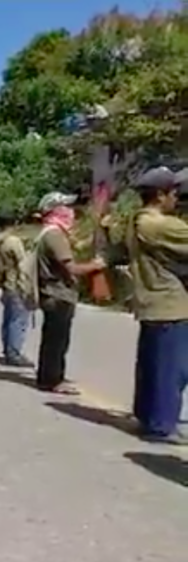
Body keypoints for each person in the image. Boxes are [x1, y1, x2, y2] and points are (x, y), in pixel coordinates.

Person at [126, 167, 188, 444]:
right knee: (172, 368)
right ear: (161, 195)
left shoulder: (136, 221)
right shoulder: (162, 225)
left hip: (151, 301)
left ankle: (148, 416)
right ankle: (161, 425)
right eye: (174, 193)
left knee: (152, 364)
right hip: (170, 303)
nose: (177, 198)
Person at [33, 191, 105, 394]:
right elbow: (71, 268)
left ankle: (49, 377)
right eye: (66, 207)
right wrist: (95, 265)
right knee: (57, 340)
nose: (70, 212)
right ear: (55, 210)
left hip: (53, 293)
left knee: (53, 339)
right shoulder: (55, 234)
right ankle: (52, 379)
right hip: (57, 294)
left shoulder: (50, 233)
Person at [0, 214, 34, 367]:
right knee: (19, 319)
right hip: (16, 284)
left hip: (5, 284)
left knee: (8, 319)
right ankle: (14, 353)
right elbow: (23, 263)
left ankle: (8, 349)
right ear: (14, 223)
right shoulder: (13, 241)